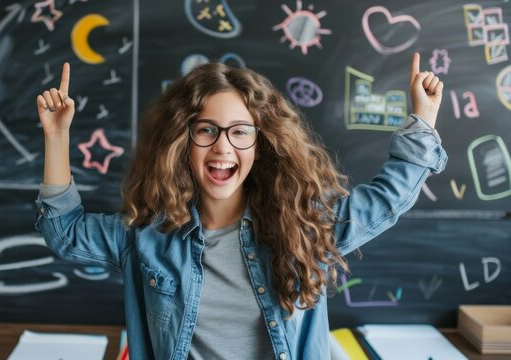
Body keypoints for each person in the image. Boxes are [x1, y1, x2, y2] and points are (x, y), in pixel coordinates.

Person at [34, 52, 447, 359]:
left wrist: (423, 122)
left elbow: (388, 198)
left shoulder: (305, 225)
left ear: (261, 143)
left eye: (240, 132)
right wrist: (56, 137)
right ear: (181, 142)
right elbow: (64, 231)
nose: (222, 147)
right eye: (207, 130)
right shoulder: (145, 238)